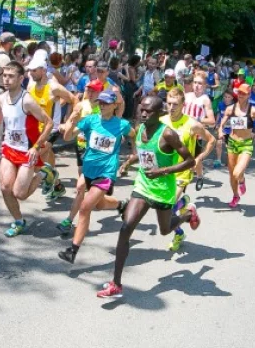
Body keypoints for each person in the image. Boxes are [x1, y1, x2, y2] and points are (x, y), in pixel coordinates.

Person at [99, 95, 200, 299]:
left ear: (159, 113)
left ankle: (187, 214)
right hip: (143, 186)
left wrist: (164, 170)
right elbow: (145, 152)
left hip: (163, 189)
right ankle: (116, 283)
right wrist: (128, 162)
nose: (143, 114)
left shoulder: (168, 134)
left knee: (164, 230)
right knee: (126, 228)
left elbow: (190, 161)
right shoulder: (140, 128)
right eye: (141, 110)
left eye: (149, 111)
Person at [0, 62, 57, 238]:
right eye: (4, 75)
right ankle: (18, 221)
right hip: (9, 149)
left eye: (11, 76)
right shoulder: (1, 98)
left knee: (20, 193)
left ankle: (44, 173)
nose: (6, 79)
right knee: (5, 187)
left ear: (21, 78)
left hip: (27, 151)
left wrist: (37, 147)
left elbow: (49, 123)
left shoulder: (27, 100)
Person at [56, 91, 131, 263]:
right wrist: (72, 119)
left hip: (106, 173)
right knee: (99, 205)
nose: (102, 105)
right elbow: (67, 136)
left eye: (105, 103)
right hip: (89, 171)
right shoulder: (90, 120)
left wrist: (134, 155)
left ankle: (72, 251)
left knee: (85, 207)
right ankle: (122, 205)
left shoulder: (122, 124)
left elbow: (135, 136)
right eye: (100, 102)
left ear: (114, 105)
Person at [144, 87, 213, 251]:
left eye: (175, 104)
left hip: (181, 173)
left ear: (183, 104)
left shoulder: (192, 124)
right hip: (163, 171)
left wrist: (199, 158)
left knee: (168, 207)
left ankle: (184, 212)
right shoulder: (162, 121)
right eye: (169, 103)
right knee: (161, 208)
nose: (171, 107)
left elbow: (212, 140)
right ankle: (184, 216)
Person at [56, 80, 104, 236]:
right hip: (82, 147)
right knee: (86, 191)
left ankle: (70, 220)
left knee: (81, 188)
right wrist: (68, 124)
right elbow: (68, 127)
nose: (90, 93)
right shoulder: (80, 106)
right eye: (88, 90)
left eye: (93, 90)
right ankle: (119, 205)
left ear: (100, 92)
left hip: (98, 153)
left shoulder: (105, 107)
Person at [26, 49, 75, 201]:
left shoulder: (54, 86)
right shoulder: (31, 85)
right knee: (47, 158)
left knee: (32, 160)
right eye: (30, 70)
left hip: (51, 130)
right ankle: (57, 185)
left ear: (43, 69)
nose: (31, 73)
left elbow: (73, 99)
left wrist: (68, 120)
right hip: (35, 129)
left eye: (34, 70)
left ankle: (48, 178)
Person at [218, 83, 255, 208]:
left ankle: (242, 180)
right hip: (232, 143)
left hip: (246, 144)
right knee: (231, 173)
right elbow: (221, 124)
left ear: (249, 95)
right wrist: (220, 131)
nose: (240, 95)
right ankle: (235, 195)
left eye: (243, 93)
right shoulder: (230, 109)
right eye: (239, 93)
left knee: (237, 173)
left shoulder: (253, 110)